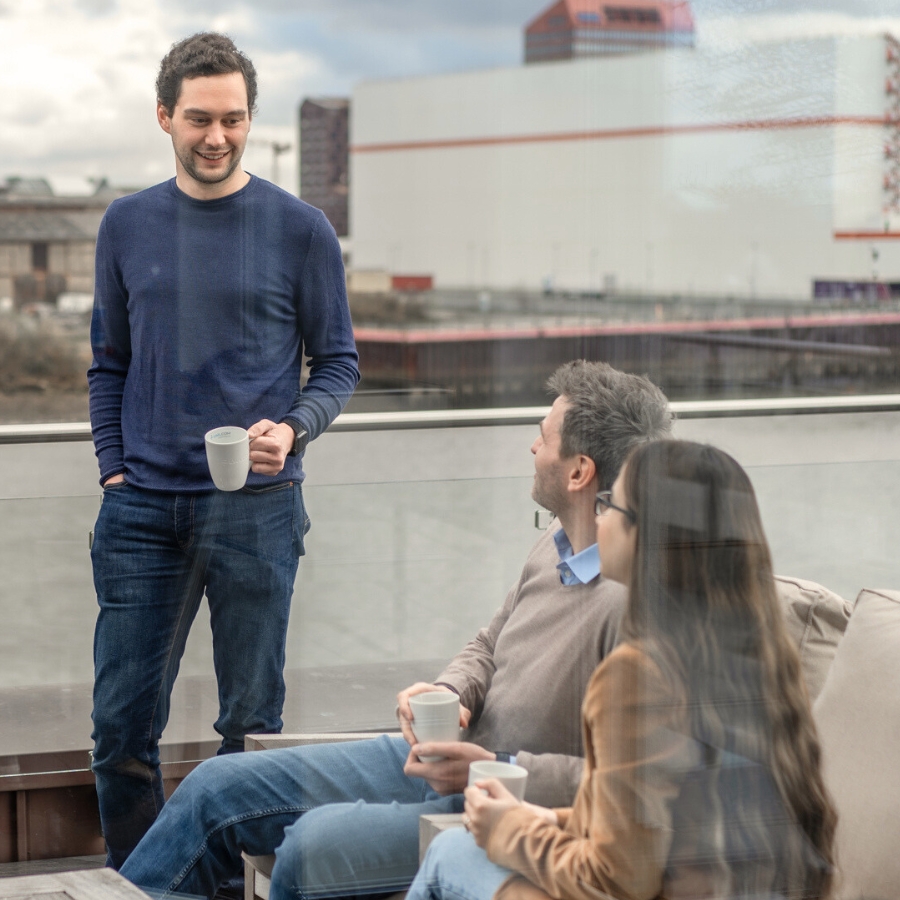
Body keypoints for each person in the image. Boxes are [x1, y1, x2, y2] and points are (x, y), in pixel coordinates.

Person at [119, 360, 673, 899]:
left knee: (310, 850)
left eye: (543, 437)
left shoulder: (635, 604)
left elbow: (633, 788)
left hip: (501, 803)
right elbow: (489, 643)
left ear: (579, 470)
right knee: (212, 788)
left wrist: (498, 768)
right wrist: (452, 691)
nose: (532, 448)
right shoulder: (556, 541)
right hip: (446, 755)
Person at [87, 32, 360, 868]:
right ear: (165, 116)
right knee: (120, 729)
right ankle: (143, 886)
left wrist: (296, 426)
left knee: (250, 729)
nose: (218, 136)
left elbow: (339, 362)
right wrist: (112, 465)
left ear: (250, 119)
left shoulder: (300, 229)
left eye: (234, 119)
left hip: (259, 509)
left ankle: (227, 887)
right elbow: (108, 361)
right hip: (140, 513)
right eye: (199, 118)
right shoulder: (125, 224)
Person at [409, 440, 837, 900]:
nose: (597, 516)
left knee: (453, 852)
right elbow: (664, 818)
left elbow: (614, 878)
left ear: (647, 537)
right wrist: (548, 819)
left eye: (612, 505)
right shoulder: (764, 656)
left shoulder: (637, 676)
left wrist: (508, 832)